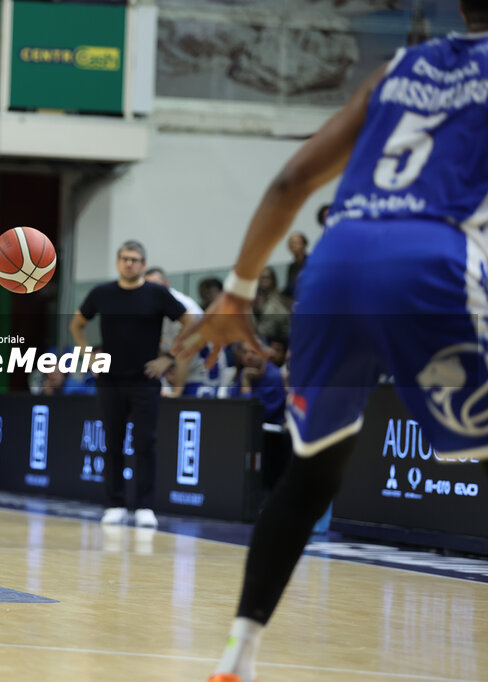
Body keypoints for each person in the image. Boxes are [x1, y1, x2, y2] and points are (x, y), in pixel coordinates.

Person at [174, 4, 488, 679]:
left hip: (336, 264)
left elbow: (291, 180)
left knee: (313, 471)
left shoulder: (397, 68)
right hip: (434, 258)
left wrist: (237, 289)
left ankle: (238, 655)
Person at [70, 241, 191, 528]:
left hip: (145, 380)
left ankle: (144, 506)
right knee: (112, 442)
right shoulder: (102, 293)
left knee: (145, 443)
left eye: (135, 260)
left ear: (143, 265)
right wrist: (88, 354)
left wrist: (169, 357)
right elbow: (77, 324)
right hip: (110, 379)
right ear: (117, 262)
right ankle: (115, 503)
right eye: (125, 259)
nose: (129, 264)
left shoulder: (157, 294)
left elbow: (192, 323)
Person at [144, 266, 203, 396]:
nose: (151, 290)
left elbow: (184, 351)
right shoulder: (151, 306)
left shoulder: (185, 307)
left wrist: (176, 393)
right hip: (171, 368)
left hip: (200, 370)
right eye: (147, 287)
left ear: (166, 284)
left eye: (155, 285)